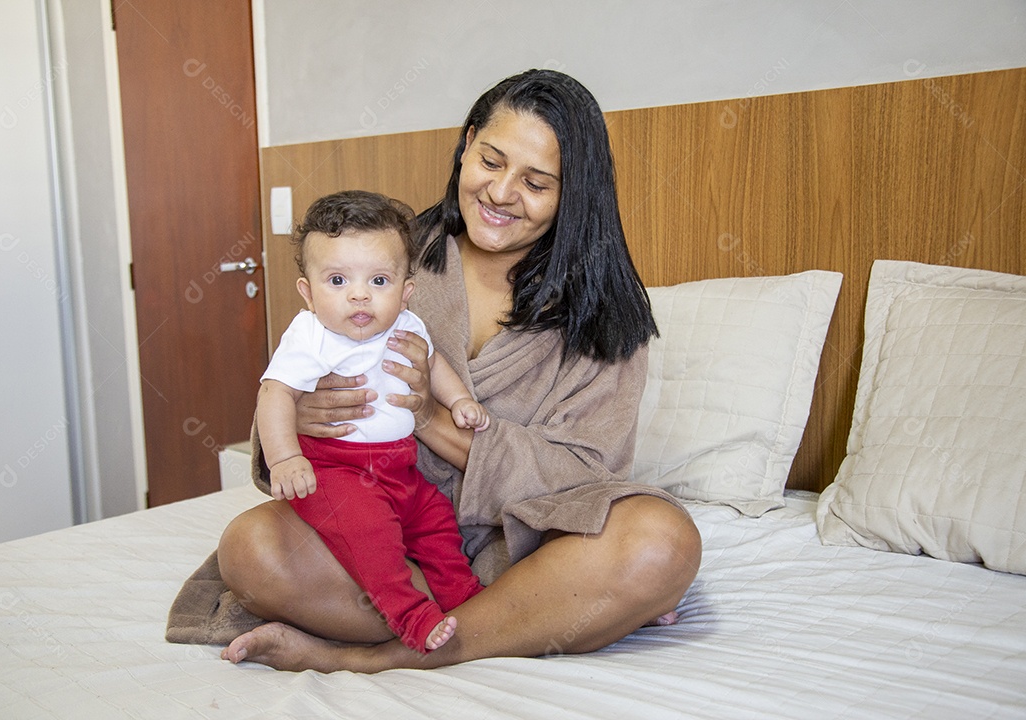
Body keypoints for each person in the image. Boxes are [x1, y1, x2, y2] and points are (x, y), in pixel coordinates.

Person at [213, 68, 702, 672]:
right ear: (467, 143)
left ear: (573, 193)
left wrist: (426, 416)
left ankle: (373, 656)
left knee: (660, 542)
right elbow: (291, 380)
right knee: (251, 548)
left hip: (523, 552)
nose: (500, 193)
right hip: (386, 533)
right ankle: (516, 621)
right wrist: (307, 417)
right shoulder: (388, 255)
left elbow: (584, 474)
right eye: (491, 161)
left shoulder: (602, 311)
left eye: (536, 182)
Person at [256, 190, 488, 653]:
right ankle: (412, 617)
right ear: (307, 291)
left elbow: (434, 362)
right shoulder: (310, 334)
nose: (359, 294)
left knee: (439, 524)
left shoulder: (407, 323)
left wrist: (459, 400)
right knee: (372, 537)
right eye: (338, 280)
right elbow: (274, 392)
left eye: (379, 280)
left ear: (405, 292)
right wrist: (284, 458)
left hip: (400, 470)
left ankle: (467, 599)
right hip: (337, 471)